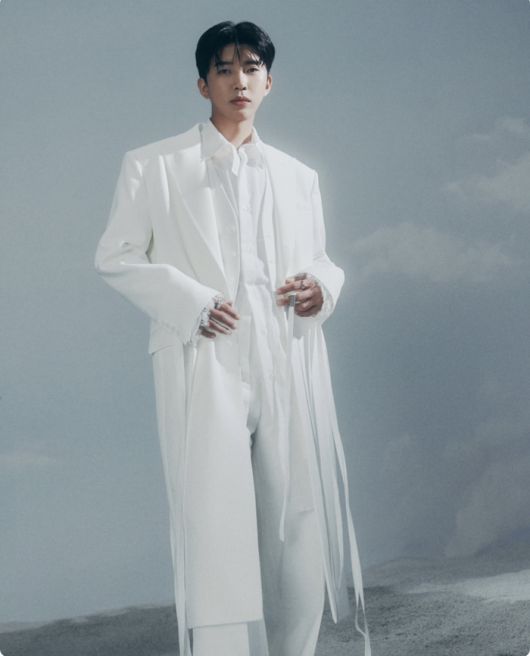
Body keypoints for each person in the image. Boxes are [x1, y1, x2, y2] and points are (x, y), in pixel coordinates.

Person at [95, 20, 371, 656]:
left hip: (285, 355)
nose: (238, 80)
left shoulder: (298, 176)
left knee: (296, 520)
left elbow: (321, 259)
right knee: (213, 520)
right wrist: (190, 301)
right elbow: (116, 255)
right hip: (204, 358)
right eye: (224, 68)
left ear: (269, 82)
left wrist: (322, 288)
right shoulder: (152, 166)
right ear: (203, 84)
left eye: (251, 68)